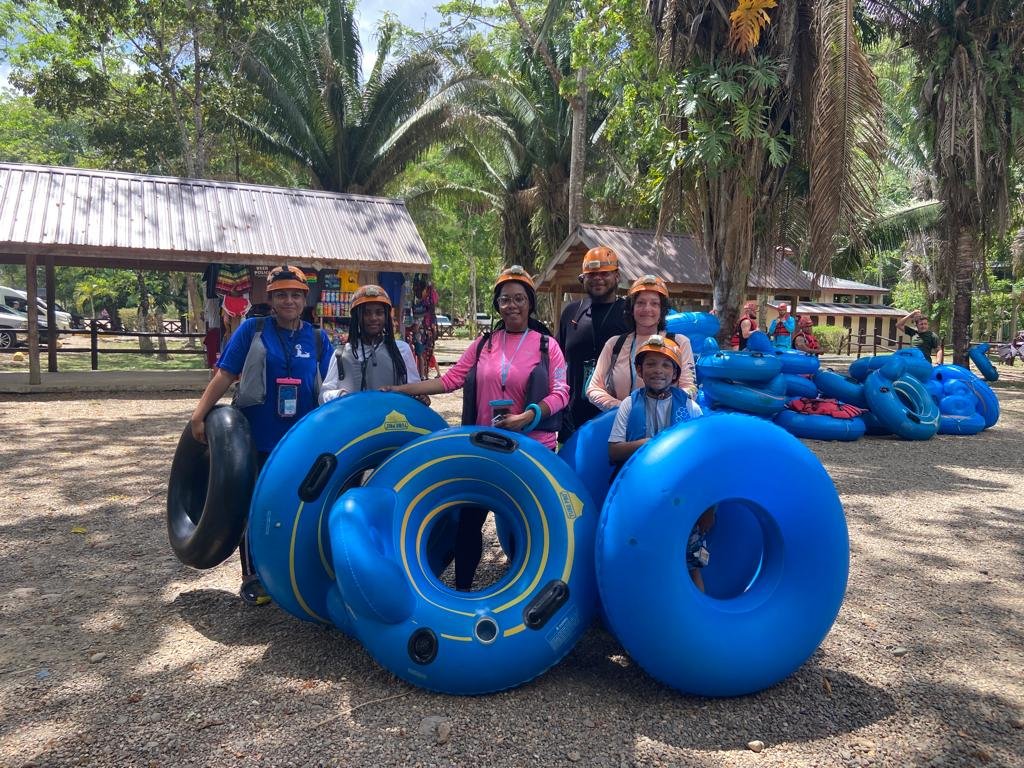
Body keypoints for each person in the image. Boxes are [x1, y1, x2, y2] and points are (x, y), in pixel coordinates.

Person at [384, 265, 569, 590]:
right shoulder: (484, 343)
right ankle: (462, 592)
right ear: (497, 304)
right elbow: (451, 380)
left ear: (530, 303)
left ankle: (531, 597)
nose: (512, 305)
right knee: (469, 523)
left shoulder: (546, 345)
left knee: (530, 525)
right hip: (483, 447)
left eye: (519, 299)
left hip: (531, 449)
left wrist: (528, 416)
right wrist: (401, 391)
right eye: (505, 300)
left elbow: (561, 392)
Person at [189, 265, 336, 606]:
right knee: (256, 506)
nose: (289, 301)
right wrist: (200, 415)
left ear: (305, 299)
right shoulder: (252, 331)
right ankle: (253, 576)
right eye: (282, 294)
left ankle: (290, 572)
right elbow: (225, 374)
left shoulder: (317, 338)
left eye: (296, 295)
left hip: (302, 440)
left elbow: (333, 385)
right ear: (270, 298)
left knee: (296, 505)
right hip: (257, 437)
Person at [606, 334, 713, 591]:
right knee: (642, 556)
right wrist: (646, 444)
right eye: (651, 364)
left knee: (689, 560)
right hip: (641, 495)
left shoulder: (690, 408)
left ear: (676, 373)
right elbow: (613, 451)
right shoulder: (630, 405)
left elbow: (701, 458)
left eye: (666, 365)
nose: (658, 370)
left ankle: (696, 614)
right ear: (640, 370)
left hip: (679, 498)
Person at [587, 275, 696, 410]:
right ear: (632, 309)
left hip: (668, 427)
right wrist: (622, 409)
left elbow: (690, 388)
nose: (647, 309)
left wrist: (661, 408)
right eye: (640, 303)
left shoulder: (679, 343)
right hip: (621, 425)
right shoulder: (614, 344)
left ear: (662, 310)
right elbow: (593, 388)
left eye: (654, 303)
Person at [557, 245, 628, 442]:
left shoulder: (630, 314)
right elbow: (556, 363)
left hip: (618, 416)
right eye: (592, 274)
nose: (598, 278)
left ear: (617, 276)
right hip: (573, 418)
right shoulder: (571, 313)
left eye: (604, 273)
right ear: (583, 279)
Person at [319, 284, 421, 401]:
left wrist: (420, 397)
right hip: (354, 418)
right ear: (357, 317)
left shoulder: (401, 350)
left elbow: (415, 389)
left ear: (386, 316)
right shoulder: (341, 354)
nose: (373, 318)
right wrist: (340, 395)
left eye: (379, 313)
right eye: (366, 313)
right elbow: (323, 395)